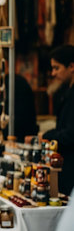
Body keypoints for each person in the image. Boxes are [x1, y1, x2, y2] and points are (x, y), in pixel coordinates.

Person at [41, 44, 74, 195]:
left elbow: (70, 133)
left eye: (57, 68)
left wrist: (46, 136)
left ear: (71, 66)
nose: (53, 73)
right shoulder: (66, 91)